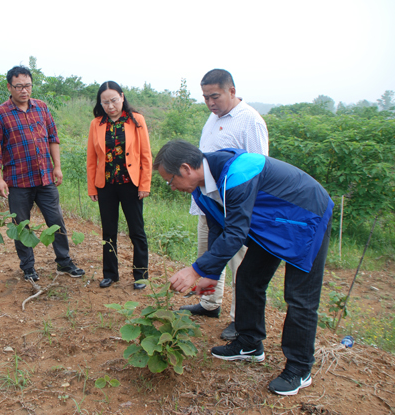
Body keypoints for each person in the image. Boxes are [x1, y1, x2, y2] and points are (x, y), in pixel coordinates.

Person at [154, 140, 333, 396]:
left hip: (305, 215)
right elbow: (218, 227)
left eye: (170, 181)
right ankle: (249, 343)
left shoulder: (237, 173)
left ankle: (299, 368)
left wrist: (195, 270)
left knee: (299, 296)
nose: (171, 187)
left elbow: (236, 233)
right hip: (269, 223)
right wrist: (210, 273)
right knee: (249, 277)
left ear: (185, 169)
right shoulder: (201, 189)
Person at [181, 69, 269, 342]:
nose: (210, 103)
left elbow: (259, 168)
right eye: (205, 97)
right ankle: (209, 304)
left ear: (232, 91)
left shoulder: (250, 121)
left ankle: (240, 319)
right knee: (209, 255)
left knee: (240, 267)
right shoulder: (213, 118)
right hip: (209, 206)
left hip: (235, 212)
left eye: (215, 96)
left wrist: (242, 213)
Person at [0, 65, 84, 281]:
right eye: (18, 86)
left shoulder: (41, 107)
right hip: (17, 180)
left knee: (56, 220)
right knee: (21, 225)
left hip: (45, 178)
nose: (24, 90)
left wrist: (57, 166)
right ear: (9, 87)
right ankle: (28, 267)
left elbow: (53, 138)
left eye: (28, 85)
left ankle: (64, 262)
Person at [86, 81, 152, 289]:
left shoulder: (136, 120)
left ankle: (140, 275)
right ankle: (110, 274)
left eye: (114, 100)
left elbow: (146, 156)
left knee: (136, 231)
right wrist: (92, 187)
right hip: (106, 185)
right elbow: (91, 159)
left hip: (131, 184)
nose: (110, 105)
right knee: (108, 231)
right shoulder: (96, 123)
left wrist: (145, 185)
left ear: (122, 97)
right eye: (105, 102)